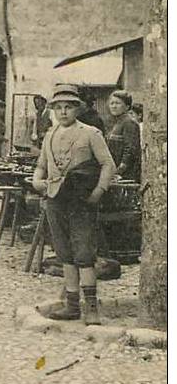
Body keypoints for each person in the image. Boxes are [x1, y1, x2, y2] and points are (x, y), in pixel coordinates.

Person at [32, 84, 116, 324]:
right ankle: (72, 305)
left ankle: (91, 308)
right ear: (53, 110)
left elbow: (107, 164)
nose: (63, 112)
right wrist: (38, 180)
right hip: (55, 199)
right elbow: (41, 165)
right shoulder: (50, 134)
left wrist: (99, 191)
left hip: (81, 200)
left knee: (84, 252)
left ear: (77, 109)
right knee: (64, 252)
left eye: (68, 107)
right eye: (58, 107)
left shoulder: (90, 133)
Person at [103, 89, 141, 182]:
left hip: (125, 174)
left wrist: (120, 170)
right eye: (112, 103)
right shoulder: (117, 123)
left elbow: (131, 149)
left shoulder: (129, 123)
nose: (114, 106)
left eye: (118, 103)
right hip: (115, 171)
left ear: (127, 106)